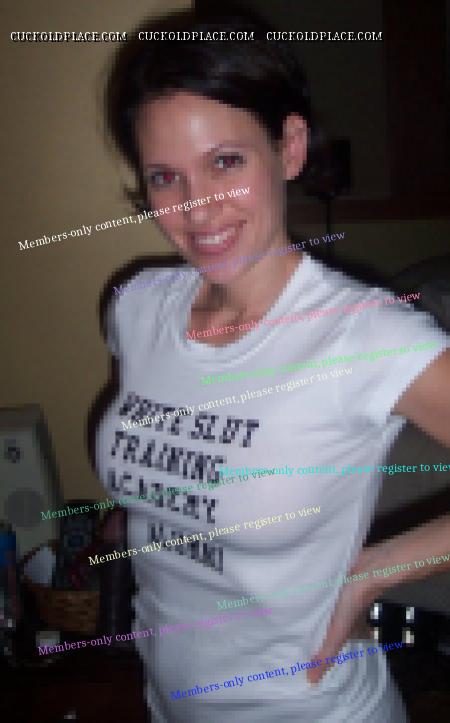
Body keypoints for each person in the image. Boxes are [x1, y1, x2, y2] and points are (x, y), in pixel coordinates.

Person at [95, 9, 450, 722]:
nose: (198, 209)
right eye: (165, 177)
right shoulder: (136, 305)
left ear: (289, 148)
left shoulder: (365, 335)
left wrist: (376, 570)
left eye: (226, 162)